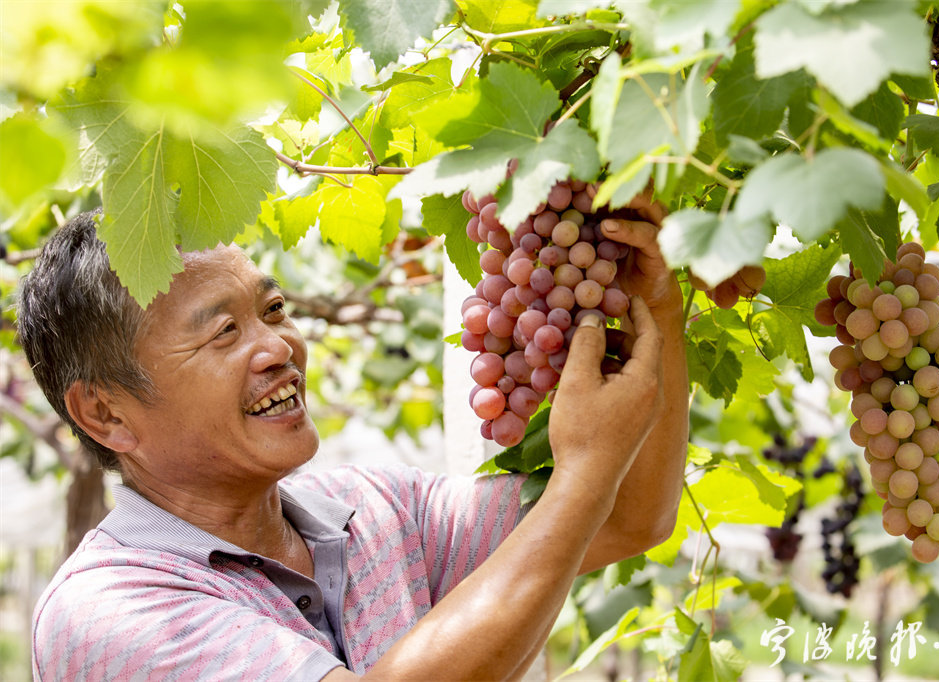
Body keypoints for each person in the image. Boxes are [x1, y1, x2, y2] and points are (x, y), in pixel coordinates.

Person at [18, 197, 688, 681]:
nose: (278, 347)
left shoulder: (374, 508)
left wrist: (654, 304)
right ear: (105, 414)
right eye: (223, 332)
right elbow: (591, 493)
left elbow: (628, 516)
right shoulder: (106, 612)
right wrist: (584, 467)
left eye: (274, 310)